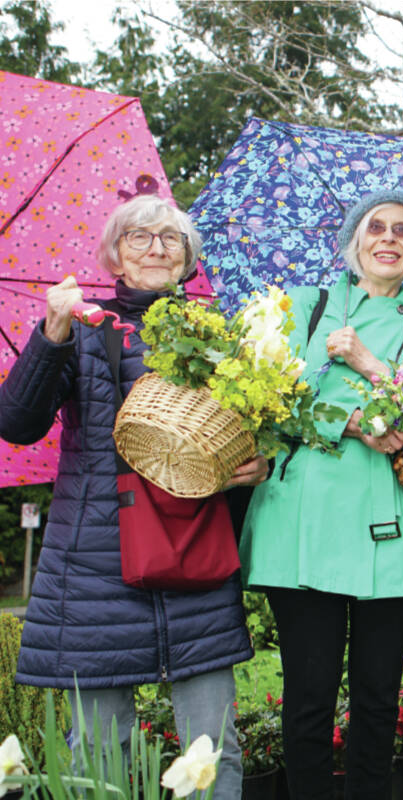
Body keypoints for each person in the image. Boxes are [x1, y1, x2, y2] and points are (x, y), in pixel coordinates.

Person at [0, 194, 265, 796]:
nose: (155, 248)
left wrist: (257, 463)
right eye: (139, 237)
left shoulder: (222, 339)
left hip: (195, 556)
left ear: (188, 260)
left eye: (170, 239)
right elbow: (17, 423)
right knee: (99, 754)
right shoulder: (85, 330)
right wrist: (53, 332)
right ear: (115, 257)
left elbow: (250, 431)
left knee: (213, 754)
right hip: (95, 566)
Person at [238, 188, 403, 800]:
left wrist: (362, 357)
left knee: (379, 697)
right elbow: (263, 395)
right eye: (375, 227)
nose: (387, 237)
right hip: (301, 518)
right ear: (353, 243)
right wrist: (349, 421)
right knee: (309, 694)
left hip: (389, 522)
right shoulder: (302, 306)